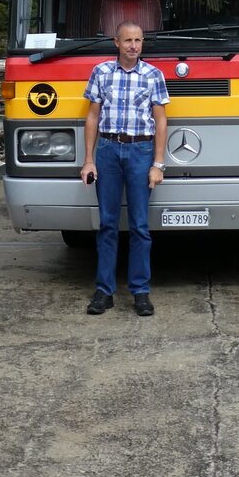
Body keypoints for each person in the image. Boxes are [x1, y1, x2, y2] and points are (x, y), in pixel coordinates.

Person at [80, 21, 169, 317]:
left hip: (141, 151)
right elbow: (92, 118)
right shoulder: (101, 72)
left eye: (138, 40)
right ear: (116, 42)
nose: (133, 46)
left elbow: (161, 121)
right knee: (107, 224)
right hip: (107, 151)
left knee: (140, 226)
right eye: (128, 40)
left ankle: (140, 292)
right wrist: (89, 160)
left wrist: (158, 164)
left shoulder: (153, 75)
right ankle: (104, 292)